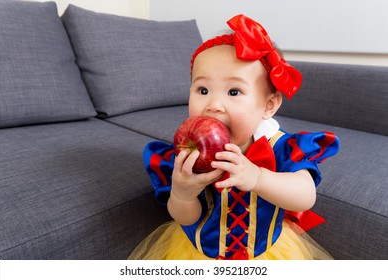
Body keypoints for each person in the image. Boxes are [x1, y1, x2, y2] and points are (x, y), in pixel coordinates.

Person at [129, 14, 340, 260]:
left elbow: (305, 197)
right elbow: (187, 217)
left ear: (268, 105)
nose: (214, 104)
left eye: (234, 91)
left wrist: (258, 177)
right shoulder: (186, 156)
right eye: (203, 90)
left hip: (264, 254)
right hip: (199, 254)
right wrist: (182, 194)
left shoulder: (281, 147)